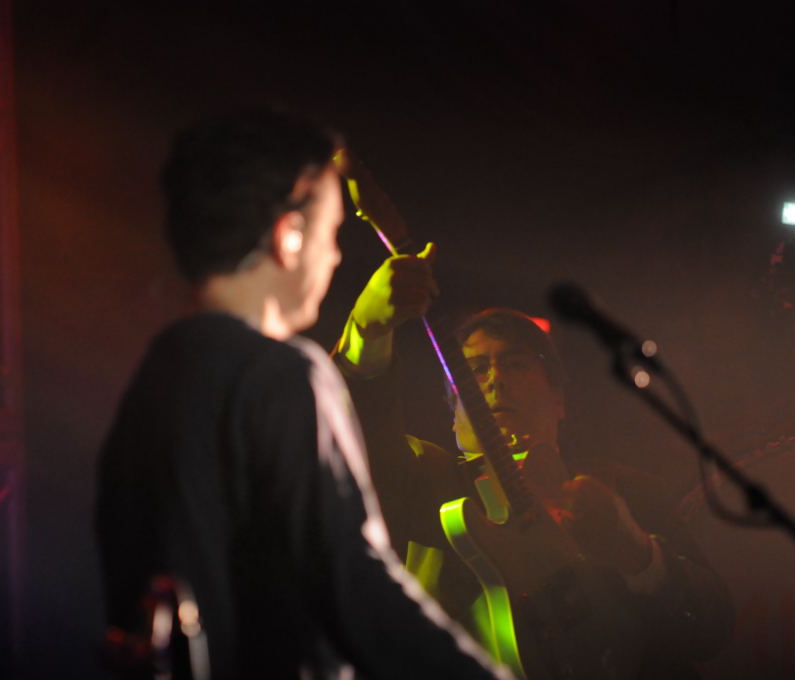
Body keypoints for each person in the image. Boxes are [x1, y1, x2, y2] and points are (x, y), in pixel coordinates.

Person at [95, 111, 511, 679]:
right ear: (288, 236)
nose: (334, 256)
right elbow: (357, 586)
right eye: (330, 234)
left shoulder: (153, 382)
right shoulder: (285, 375)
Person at [334, 247, 734, 679]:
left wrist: (637, 551)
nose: (495, 380)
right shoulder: (424, 482)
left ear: (559, 400)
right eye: (475, 370)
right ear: (453, 413)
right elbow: (351, 443)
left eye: (515, 364)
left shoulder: (629, 490)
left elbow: (711, 630)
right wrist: (367, 333)